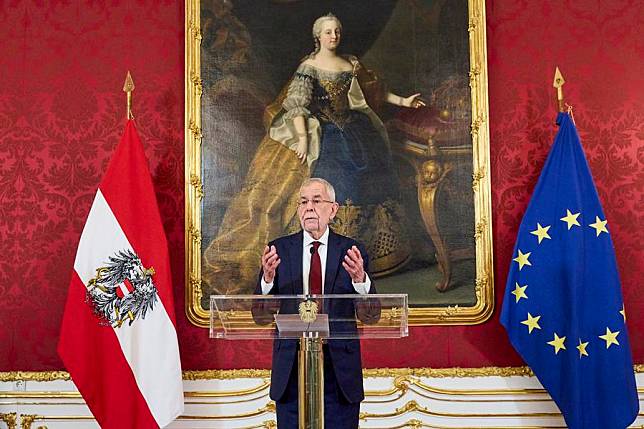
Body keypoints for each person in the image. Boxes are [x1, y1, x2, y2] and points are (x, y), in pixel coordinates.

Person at [203, 13, 425, 296]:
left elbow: (374, 94)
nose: (334, 36)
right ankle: (323, 250)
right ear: (318, 36)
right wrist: (303, 140)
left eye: (337, 31)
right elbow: (297, 106)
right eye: (328, 32)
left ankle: (369, 254)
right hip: (324, 132)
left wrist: (404, 101)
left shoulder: (351, 63)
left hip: (356, 130)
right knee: (334, 177)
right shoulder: (309, 66)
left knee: (373, 178)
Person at [255, 178, 377, 429]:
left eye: (316, 200)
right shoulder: (279, 250)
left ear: (333, 209)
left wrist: (360, 280)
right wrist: (267, 280)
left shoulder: (352, 251)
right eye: (303, 201)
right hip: (292, 372)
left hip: (339, 374)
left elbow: (371, 315)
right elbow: (260, 316)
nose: (308, 207)